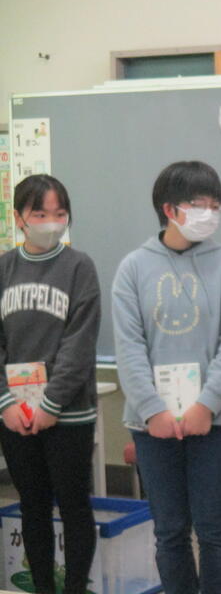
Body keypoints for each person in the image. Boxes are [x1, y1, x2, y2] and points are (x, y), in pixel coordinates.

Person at [112, 161, 221, 594]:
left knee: (213, 530)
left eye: (215, 205)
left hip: (215, 420)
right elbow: (129, 347)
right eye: (198, 204)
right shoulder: (133, 268)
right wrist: (152, 410)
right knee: (169, 531)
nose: (209, 213)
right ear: (169, 209)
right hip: (152, 423)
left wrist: (206, 404)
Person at [0, 174, 101, 594]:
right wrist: (5, 402)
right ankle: (43, 587)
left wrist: (51, 403)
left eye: (59, 214)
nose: (51, 222)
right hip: (15, 414)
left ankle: (75, 589)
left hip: (68, 414)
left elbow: (79, 343)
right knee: (32, 506)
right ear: (19, 217)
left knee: (75, 506)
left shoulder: (79, 267)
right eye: (40, 214)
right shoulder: (4, 267)